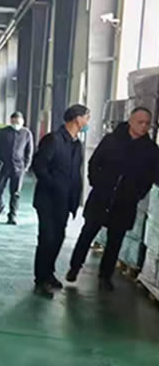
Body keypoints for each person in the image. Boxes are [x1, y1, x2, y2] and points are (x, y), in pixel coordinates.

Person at [66, 107, 159, 291]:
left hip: (125, 202)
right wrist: (97, 183)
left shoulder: (150, 150)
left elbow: (150, 177)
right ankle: (74, 267)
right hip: (102, 197)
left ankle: (105, 276)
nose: (144, 126)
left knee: (115, 241)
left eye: (147, 123)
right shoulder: (112, 140)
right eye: (140, 122)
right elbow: (95, 163)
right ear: (130, 121)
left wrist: (137, 194)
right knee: (87, 234)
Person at [31, 103, 90, 298]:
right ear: (77, 119)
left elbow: (75, 173)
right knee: (47, 239)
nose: (87, 122)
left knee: (58, 238)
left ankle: (49, 273)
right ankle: (41, 279)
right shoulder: (53, 140)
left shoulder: (76, 144)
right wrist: (55, 186)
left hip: (65, 202)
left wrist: (75, 197)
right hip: (48, 200)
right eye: (86, 117)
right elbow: (39, 166)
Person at [0, 111, 34, 225]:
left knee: (15, 193)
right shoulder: (3, 132)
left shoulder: (26, 133)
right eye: (14, 121)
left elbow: (29, 151)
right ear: (11, 121)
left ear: (22, 122)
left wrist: (26, 166)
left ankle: (12, 215)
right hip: (4, 166)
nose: (16, 124)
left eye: (18, 122)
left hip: (18, 168)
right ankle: (0, 207)